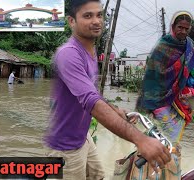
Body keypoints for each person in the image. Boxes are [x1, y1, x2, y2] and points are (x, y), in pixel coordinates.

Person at [44, 0, 171, 179]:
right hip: (65, 146)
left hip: (83, 136)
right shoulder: (69, 54)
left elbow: (93, 93)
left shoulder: (90, 51)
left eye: (99, 15)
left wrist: (116, 110)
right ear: (71, 21)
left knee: (98, 176)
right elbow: (91, 101)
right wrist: (140, 139)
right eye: (88, 16)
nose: (96, 21)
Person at [136, 11, 193, 161]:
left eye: (187, 29)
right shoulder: (163, 45)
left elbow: (190, 69)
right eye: (180, 27)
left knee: (168, 133)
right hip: (157, 97)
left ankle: (161, 160)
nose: (183, 31)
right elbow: (152, 74)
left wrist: (188, 88)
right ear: (173, 26)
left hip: (178, 98)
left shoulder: (190, 46)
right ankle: (165, 162)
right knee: (169, 132)